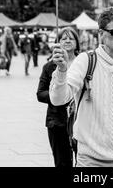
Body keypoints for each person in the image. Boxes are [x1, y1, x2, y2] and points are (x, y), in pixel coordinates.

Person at [49, 5, 113, 168]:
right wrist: (61, 71)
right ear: (101, 34)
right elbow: (58, 100)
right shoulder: (85, 61)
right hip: (91, 161)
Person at [37, 26, 80, 167]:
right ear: (58, 42)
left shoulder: (84, 64)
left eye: (71, 38)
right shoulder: (49, 66)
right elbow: (40, 93)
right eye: (64, 38)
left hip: (81, 121)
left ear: (77, 42)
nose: (67, 40)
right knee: (62, 162)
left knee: (83, 161)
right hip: (57, 121)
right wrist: (57, 96)